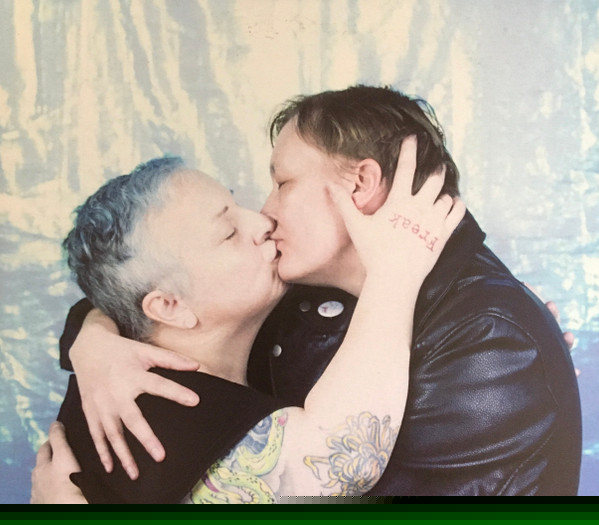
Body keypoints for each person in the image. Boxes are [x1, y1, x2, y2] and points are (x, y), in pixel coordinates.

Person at [35, 85, 582, 498]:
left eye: (282, 183)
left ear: (360, 184)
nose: (263, 216)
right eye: (229, 230)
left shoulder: (487, 343)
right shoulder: (298, 300)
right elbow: (138, 289)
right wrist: (94, 339)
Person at [32, 147, 463, 502]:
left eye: (238, 204)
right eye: (228, 233)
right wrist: (395, 270)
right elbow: (342, 461)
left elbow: (106, 300)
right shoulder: (162, 419)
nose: (262, 222)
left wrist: (93, 334)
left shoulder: (124, 357)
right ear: (170, 306)